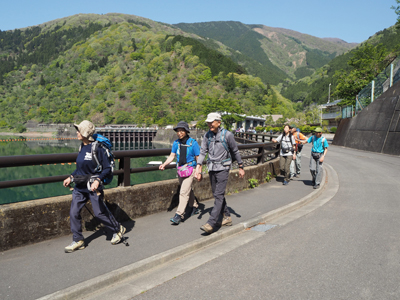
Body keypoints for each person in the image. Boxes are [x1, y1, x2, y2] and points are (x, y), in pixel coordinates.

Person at [63, 120, 125, 253]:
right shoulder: (81, 147)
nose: (77, 133)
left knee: (99, 213)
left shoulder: (98, 148)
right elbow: (80, 169)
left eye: (79, 130)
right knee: (74, 213)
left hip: (93, 186)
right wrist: (71, 177)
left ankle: (117, 229)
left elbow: (107, 168)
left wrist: (98, 180)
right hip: (80, 186)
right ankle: (78, 240)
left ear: (85, 133)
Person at [195, 112, 245, 234]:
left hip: (223, 168)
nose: (209, 124)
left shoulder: (227, 135)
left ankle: (211, 223)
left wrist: (241, 166)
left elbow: (235, 151)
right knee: (217, 194)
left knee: (218, 194)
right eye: (208, 122)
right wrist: (198, 166)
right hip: (212, 168)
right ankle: (227, 217)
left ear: (218, 122)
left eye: (212, 122)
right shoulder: (207, 135)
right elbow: (202, 152)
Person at [159, 121, 200, 225]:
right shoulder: (176, 143)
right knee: (187, 190)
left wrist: (199, 171)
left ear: (186, 131)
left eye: (182, 131)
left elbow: (198, 158)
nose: (179, 133)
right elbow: (172, 156)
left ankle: (179, 215)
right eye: (178, 131)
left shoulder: (193, 143)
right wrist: (164, 164)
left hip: (190, 169)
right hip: (181, 170)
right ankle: (194, 206)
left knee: (183, 192)